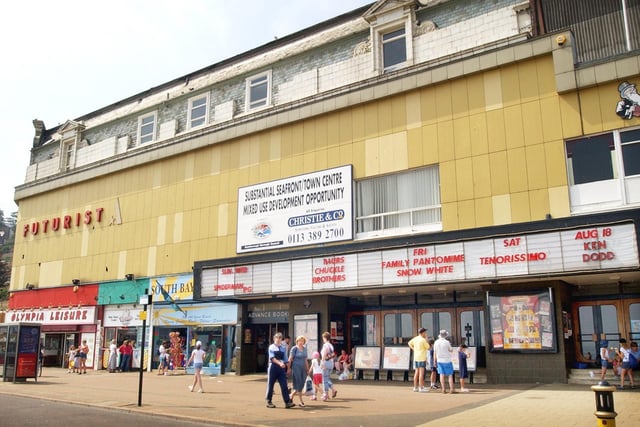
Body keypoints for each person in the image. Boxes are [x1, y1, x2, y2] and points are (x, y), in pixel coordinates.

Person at [265, 332, 295, 409]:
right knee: (270, 384)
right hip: (273, 367)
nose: (278, 339)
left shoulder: (283, 348)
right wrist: (280, 363)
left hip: (281, 368)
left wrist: (288, 368)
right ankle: (269, 401)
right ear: (274, 339)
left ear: (282, 339)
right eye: (277, 338)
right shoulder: (271, 347)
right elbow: (272, 358)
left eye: (280, 338)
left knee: (284, 385)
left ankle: (287, 402)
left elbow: (285, 359)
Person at [288, 335, 309, 407]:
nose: (301, 342)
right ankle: (301, 401)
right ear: (297, 341)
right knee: (299, 383)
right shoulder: (294, 348)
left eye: (302, 341)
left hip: (302, 368)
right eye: (299, 340)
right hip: (296, 367)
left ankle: (291, 395)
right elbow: (290, 359)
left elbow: (305, 359)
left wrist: (307, 369)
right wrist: (288, 368)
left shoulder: (305, 349)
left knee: (302, 383)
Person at [408, 327, 430, 392]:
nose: (426, 333)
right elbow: (428, 347)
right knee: (421, 373)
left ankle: (415, 387)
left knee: (416, 372)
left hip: (416, 357)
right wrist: (426, 340)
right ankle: (421, 388)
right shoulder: (423, 340)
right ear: (422, 333)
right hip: (422, 357)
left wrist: (413, 349)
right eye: (425, 332)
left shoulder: (416, 338)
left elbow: (409, 343)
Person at [433, 329, 455, 394]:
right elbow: (451, 350)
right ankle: (451, 389)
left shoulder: (436, 342)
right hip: (447, 360)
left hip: (439, 360)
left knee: (441, 375)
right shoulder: (447, 342)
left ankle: (443, 389)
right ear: (445, 335)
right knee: (450, 375)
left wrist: (434, 361)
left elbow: (435, 352)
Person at [320, 331, 338, 401]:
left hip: (326, 363)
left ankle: (325, 394)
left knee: (324, 379)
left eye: (323, 338)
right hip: (331, 363)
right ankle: (333, 390)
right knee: (327, 378)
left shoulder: (325, 345)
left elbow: (324, 354)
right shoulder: (331, 345)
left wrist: (322, 362)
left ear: (324, 338)